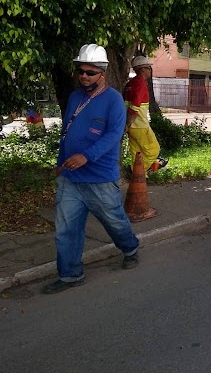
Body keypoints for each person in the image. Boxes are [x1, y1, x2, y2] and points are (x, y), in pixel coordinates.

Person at [42, 44, 140, 294]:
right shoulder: (75, 97)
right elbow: (67, 133)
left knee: (115, 222)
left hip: (100, 178)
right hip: (71, 178)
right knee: (66, 229)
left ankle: (130, 248)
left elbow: (114, 135)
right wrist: (60, 163)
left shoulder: (114, 100)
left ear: (103, 74)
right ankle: (70, 275)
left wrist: (86, 156)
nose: (84, 76)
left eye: (90, 72)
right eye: (81, 71)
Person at [123, 56, 167, 172]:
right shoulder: (140, 84)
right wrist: (128, 123)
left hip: (131, 127)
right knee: (154, 150)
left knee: (137, 152)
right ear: (143, 69)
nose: (150, 70)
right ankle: (137, 171)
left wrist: (126, 125)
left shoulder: (130, 84)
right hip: (139, 125)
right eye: (149, 68)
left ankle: (139, 177)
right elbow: (134, 108)